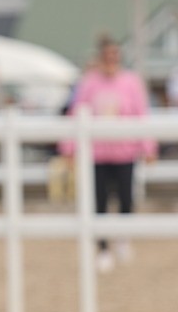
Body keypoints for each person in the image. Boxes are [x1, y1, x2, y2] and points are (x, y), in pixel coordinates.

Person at [59, 36, 156, 272]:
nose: (111, 60)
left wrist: (148, 146)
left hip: (125, 151)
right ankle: (102, 248)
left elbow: (141, 114)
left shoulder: (131, 82)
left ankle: (123, 237)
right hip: (97, 154)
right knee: (99, 202)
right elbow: (75, 114)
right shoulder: (89, 84)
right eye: (108, 55)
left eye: (115, 55)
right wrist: (69, 148)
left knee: (126, 199)